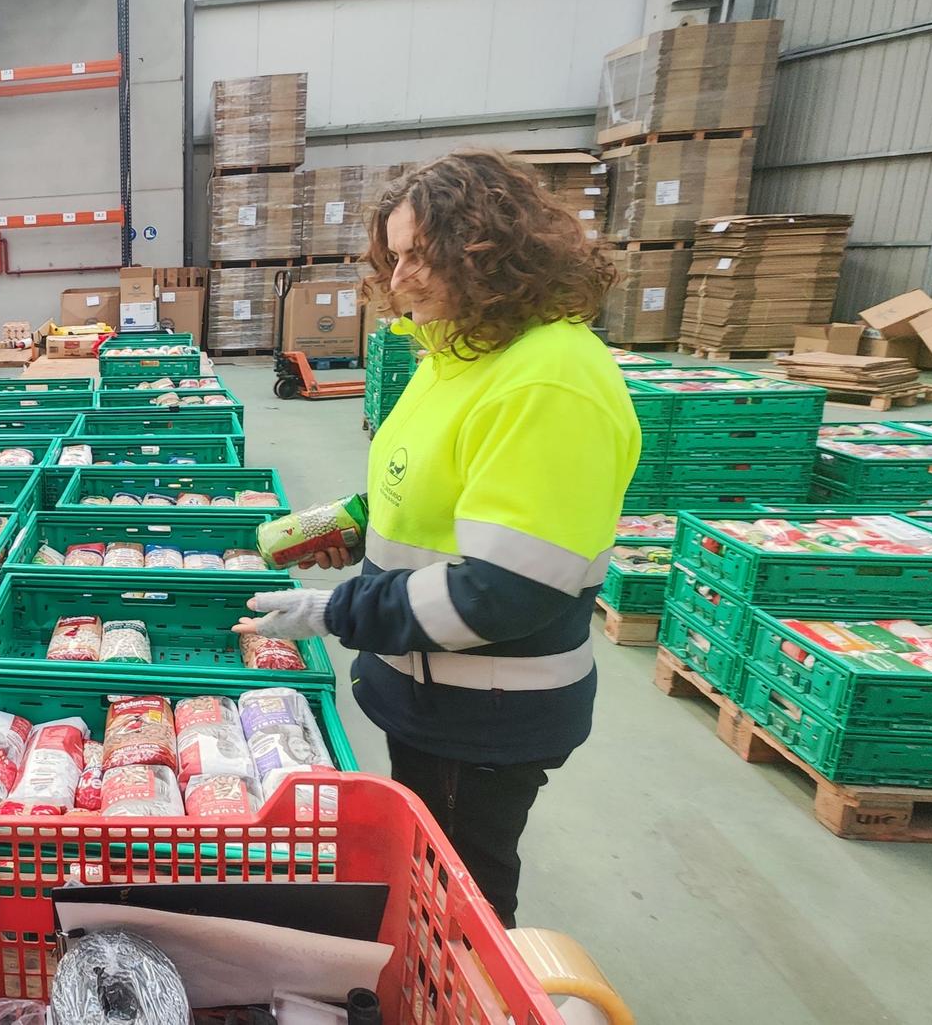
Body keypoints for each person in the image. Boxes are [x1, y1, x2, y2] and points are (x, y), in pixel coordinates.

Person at [237, 150, 639, 929]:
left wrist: (335, 611)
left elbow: (502, 591)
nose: (401, 279)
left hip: (484, 710)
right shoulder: (458, 350)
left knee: (458, 904)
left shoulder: (548, 380)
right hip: (428, 692)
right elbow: (428, 483)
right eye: (395, 256)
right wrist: (353, 521)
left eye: (424, 254)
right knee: (420, 876)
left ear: (490, 249)